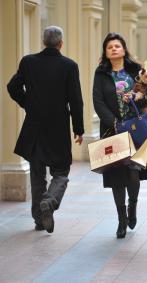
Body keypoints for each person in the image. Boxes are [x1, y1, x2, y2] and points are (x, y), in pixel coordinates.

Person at [7, 26, 84, 233]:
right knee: (61, 170)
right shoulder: (69, 66)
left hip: (34, 125)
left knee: (37, 172)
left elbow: (12, 87)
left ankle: (39, 220)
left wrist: (28, 104)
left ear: (43, 42)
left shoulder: (28, 62)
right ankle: (49, 201)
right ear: (61, 43)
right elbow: (75, 100)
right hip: (58, 126)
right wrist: (78, 128)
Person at [92, 33, 147, 239]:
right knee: (117, 174)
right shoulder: (101, 74)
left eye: (117, 46)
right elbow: (97, 101)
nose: (114, 49)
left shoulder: (136, 71)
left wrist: (137, 97)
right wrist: (114, 123)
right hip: (113, 130)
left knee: (133, 172)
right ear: (106, 52)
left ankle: (132, 206)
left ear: (124, 49)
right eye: (110, 47)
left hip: (135, 128)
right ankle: (121, 220)